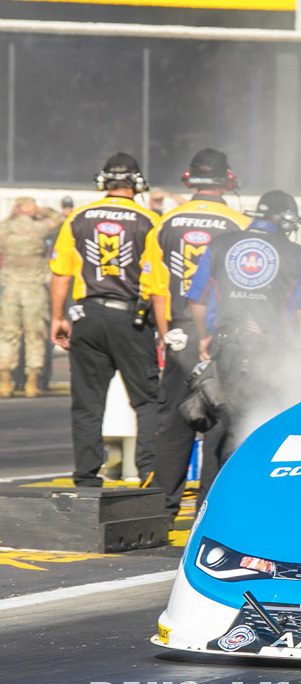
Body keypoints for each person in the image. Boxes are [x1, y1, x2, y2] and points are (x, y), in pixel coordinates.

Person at [141, 148, 250, 524]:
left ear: (189, 179)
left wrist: (166, 333)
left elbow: (156, 287)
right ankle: (207, 510)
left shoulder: (165, 222)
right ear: (228, 180)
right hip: (219, 336)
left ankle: (164, 507)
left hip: (179, 332)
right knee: (219, 421)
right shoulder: (240, 225)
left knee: (173, 421)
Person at [187, 190, 301, 475]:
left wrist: (206, 335)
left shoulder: (219, 244)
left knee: (222, 428)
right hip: (271, 354)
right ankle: (247, 500)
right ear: (284, 221)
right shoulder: (296, 254)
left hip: (225, 348)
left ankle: (207, 505)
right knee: (263, 426)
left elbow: (197, 300)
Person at [49, 152, 159, 487]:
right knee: (147, 401)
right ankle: (149, 477)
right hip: (131, 318)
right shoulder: (150, 220)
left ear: (103, 182)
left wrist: (57, 318)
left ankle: (85, 479)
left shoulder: (78, 218)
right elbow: (158, 281)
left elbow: (60, 275)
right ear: (138, 183)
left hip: (87, 315)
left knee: (87, 403)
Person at [0, 197, 63, 397]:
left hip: (10, 289)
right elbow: (60, 219)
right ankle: (32, 383)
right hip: (34, 289)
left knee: (8, 334)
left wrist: (14, 213)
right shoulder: (40, 228)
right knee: (35, 336)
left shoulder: (5, 229)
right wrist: (40, 210)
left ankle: (5, 382)